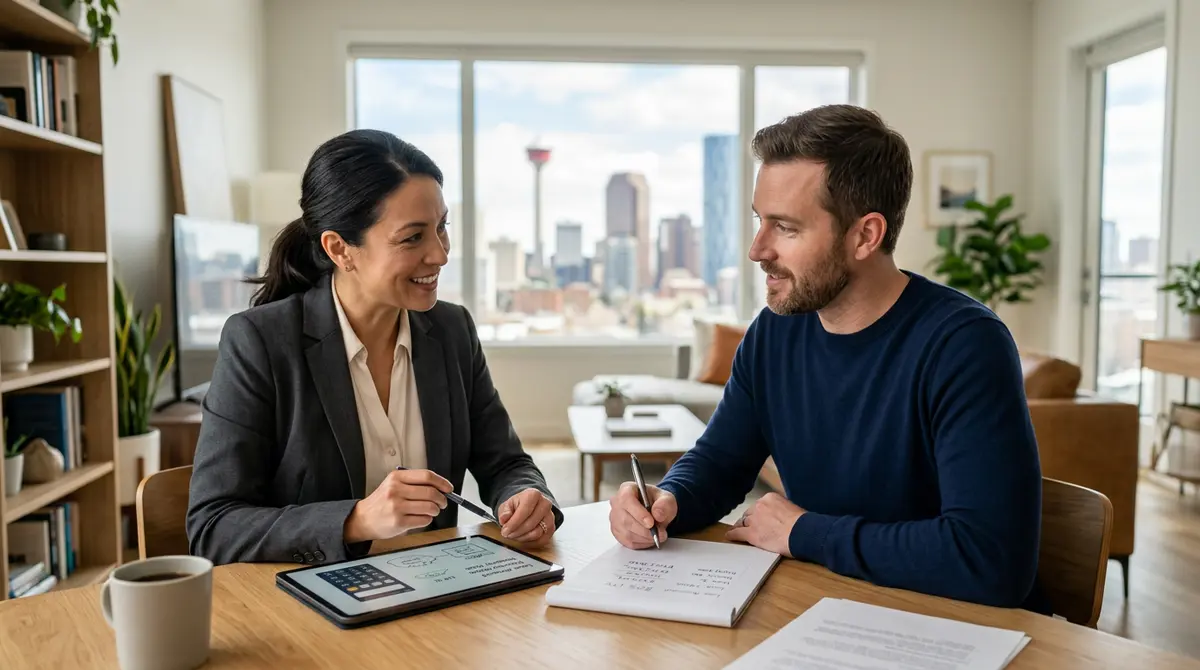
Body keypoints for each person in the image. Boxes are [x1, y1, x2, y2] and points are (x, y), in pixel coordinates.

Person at [607, 104, 1047, 611]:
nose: (756, 249)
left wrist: (803, 533)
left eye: (786, 228)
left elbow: (990, 561)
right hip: (834, 606)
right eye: (759, 220)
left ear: (865, 235)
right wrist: (666, 501)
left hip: (958, 629)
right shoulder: (775, 331)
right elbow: (722, 462)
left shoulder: (964, 345)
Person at [186, 129, 563, 566]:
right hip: (312, 611)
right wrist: (358, 519)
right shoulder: (259, 343)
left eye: (442, 228)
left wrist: (525, 495)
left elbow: (505, 462)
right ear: (340, 249)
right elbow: (213, 527)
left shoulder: (452, 330)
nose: (440, 254)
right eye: (412, 238)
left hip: (438, 595)